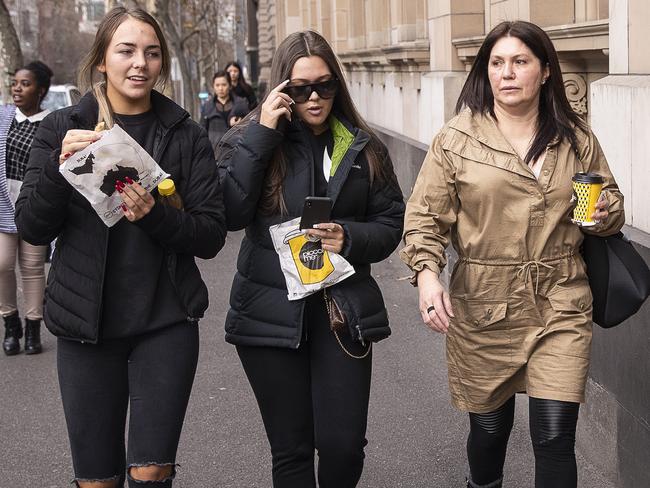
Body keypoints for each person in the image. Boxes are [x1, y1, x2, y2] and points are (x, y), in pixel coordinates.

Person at [400, 20, 624, 488]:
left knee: (555, 437)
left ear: (544, 72)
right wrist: (427, 277)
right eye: (496, 63)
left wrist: (604, 212)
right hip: (484, 304)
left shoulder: (575, 138)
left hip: (561, 297)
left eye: (520, 61)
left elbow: (611, 205)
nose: (506, 73)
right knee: (488, 431)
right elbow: (424, 217)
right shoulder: (456, 140)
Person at [15, 7, 226, 488]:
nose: (140, 63)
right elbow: (32, 226)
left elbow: (211, 234)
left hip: (164, 322)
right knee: (97, 479)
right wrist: (56, 165)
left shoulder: (184, 133)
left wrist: (156, 216)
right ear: (102, 61)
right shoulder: (62, 128)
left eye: (151, 53)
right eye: (126, 51)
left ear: (161, 63)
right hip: (85, 327)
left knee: (151, 471)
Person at [217, 30, 404, 488]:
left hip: (341, 312)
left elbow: (390, 221)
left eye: (325, 85)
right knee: (292, 450)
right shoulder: (248, 139)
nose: (315, 97)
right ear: (282, 88)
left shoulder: (363, 147)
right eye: (301, 89)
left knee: (343, 446)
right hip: (269, 312)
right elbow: (230, 212)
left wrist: (351, 237)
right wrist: (263, 132)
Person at [1, 61, 53, 356]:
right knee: (1, 264)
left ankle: (33, 325)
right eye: (16, 83)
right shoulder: (4, 117)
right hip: (3, 205)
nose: (17, 88)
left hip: (35, 205)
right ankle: (10, 321)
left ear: (41, 90)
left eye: (25, 84)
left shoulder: (52, 123)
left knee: (33, 267)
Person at [200, 70, 249, 154]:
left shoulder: (241, 104)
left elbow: (250, 125)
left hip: (237, 151)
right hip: (215, 154)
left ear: (229, 86)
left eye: (224, 85)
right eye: (217, 85)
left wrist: (241, 122)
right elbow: (202, 131)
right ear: (213, 87)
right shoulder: (207, 107)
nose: (220, 88)